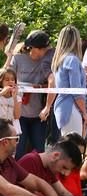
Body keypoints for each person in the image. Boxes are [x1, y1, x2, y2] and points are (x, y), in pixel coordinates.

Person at [11, 30, 54, 159]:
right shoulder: (18, 58)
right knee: (19, 148)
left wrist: (39, 87)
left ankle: (37, 177)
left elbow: (54, 84)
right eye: (42, 48)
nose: (44, 51)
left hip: (39, 115)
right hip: (20, 113)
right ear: (33, 47)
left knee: (39, 150)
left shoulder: (48, 61)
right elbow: (7, 78)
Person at [51, 25, 87, 137]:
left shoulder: (59, 61)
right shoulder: (72, 60)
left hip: (62, 108)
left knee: (67, 147)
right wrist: (84, 112)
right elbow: (76, 91)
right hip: (71, 109)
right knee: (74, 148)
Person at [0, 68, 21, 134]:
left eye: (13, 79)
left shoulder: (17, 98)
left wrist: (15, 98)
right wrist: (2, 93)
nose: (10, 81)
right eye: (7, 80)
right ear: (1, 82)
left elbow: (17, 116)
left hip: (12, 129)